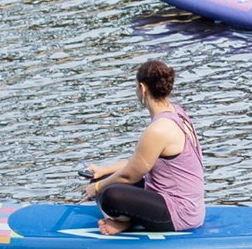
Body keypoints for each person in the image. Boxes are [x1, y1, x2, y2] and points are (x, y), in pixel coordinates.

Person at [81, 59, 204, 235]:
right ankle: (127, 221)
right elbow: (138, 163)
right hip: (175, 200)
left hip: (180, 213)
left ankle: (127, 221)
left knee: (109, 196)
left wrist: (97, 188)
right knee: (105, 179)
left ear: (143, 88)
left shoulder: (159, 129)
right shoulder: (176, 112)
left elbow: (131, 175)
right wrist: (103, 170)